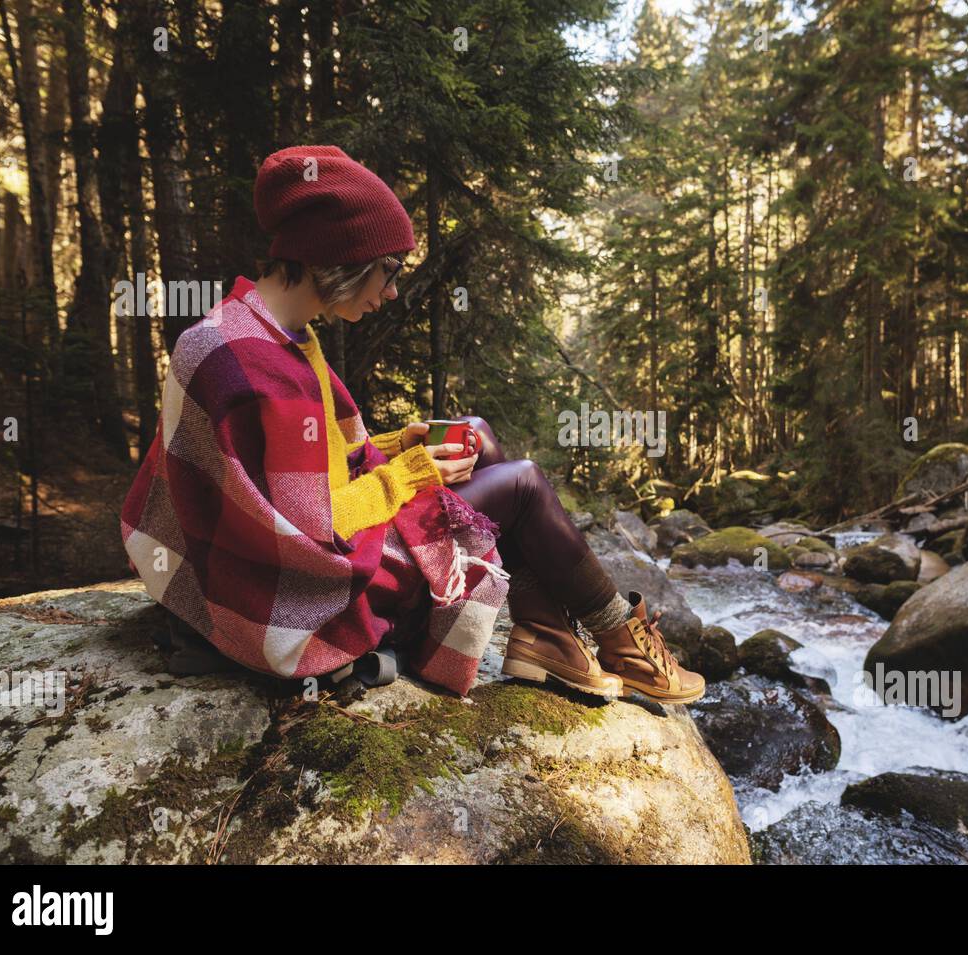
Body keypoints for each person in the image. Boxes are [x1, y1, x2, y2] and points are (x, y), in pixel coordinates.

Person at [243, 144, 704, 704]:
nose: (391, 291)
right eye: (388, 271)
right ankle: (614, 638)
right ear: (341, 254)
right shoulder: (258, 362)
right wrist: (409, 473)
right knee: (525, 483)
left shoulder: (278, 332)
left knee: (475, 430)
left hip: (310, 554)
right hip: (310, 591)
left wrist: (395, 443)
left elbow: (314, 468)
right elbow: (313, 527)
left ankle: (545, 635)